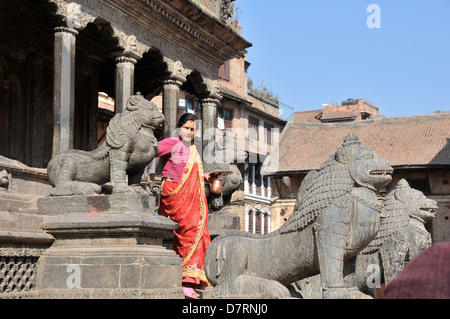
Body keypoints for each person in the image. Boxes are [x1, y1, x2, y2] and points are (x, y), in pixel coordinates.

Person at [154, 113, 212, 299]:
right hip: (175, 194)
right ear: (179, 128)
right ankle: (185, 282)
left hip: (191, 197)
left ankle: (190, 280)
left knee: (197, 230)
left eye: (192, 129)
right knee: (189, 230)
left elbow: (191, 171)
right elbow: (150, 150)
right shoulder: (172, 143)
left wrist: (205, 176)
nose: (189, 132)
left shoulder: (193, 149)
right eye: (186, 128)